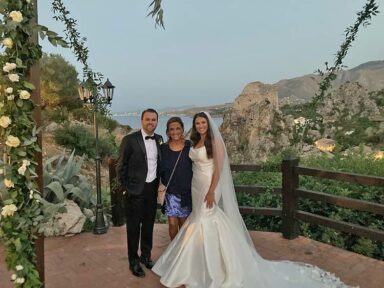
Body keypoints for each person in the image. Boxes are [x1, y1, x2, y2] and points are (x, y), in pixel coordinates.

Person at [152, 112, 351, 288]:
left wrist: (212, 190)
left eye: (203, 123)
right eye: (198, 123)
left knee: (205, 220)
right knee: (199, 220)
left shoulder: (216, 142)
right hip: (195, 185)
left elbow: (219, 169)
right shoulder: (194, 142)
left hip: (210, 186)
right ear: (194, 126)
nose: (201, 126)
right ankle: (195, 264)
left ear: (208, 124)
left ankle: (207, 269)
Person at [116, 108, 163, 278]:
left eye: (153, 120)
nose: (151, 122)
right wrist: (125, 189)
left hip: (151, 190)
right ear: (141, 121)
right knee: (134, 228)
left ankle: (146, 256)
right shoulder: (130, 140)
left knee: (149, 225)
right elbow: (121, 166)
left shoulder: (159, 139)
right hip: (134, 191)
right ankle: (133, 261)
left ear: (157, 122)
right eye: (147, 119)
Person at [159, 117, 193, 240]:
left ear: (182, 130)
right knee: (173, 224)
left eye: (178, 128)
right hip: (170, 193)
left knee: (184, 224)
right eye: (171, 129)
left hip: (185, 193)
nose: (175, 131)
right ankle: (174, 249)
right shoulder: (163, 149)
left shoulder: (189, 147)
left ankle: (183, 251)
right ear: (167, 132)